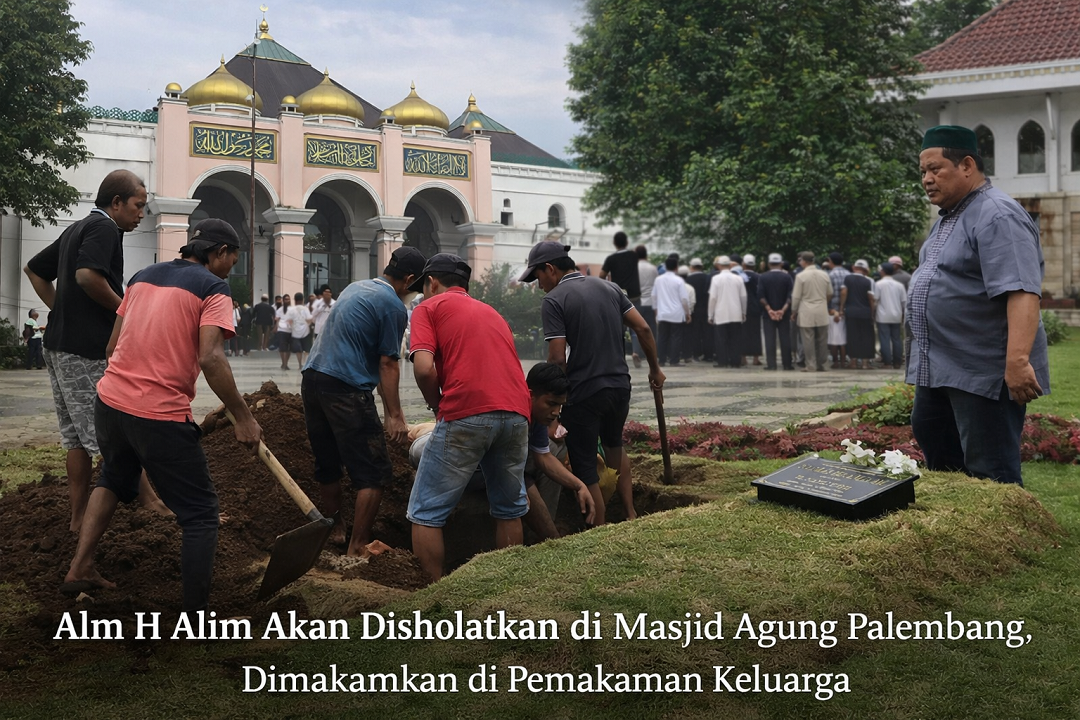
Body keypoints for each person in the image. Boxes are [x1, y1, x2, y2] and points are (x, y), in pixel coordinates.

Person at [60, 219, 263, 610]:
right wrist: (243, 416)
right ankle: (196, 618)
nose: (231, 269)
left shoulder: (141, 276)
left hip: (110, 403)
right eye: (232, 260)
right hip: (158, 414)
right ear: (219, 252)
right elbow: (210, 357)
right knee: (201, 514)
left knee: (115, 476)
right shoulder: (213, 288)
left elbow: (112, 346)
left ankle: (80, 566)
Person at [23, 169, 166, 533]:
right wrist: (127, 311)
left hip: (58, 347)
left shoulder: (77, 227)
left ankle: (77, 518)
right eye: (138, 206)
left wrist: (61, 311)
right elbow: (88, 276)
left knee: (75, 436)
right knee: (108, 434)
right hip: (84, 351)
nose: (140, 214)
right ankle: (150, 503)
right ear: (116, 203)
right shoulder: (104, 229)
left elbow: (35, 270)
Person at [909, 125, 1048, 487]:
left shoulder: (997, 215)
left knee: (991, 474)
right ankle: (962, 541)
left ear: (967, 165)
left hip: (983, 373)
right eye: (922, 171)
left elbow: (1022, 292)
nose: (926, 179)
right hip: (939, 369)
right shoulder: (950, 218)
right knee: (944, 466)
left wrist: (1017, 362)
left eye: (935, 169)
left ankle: (1009, 541)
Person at [520, 241, 664, 526]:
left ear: (550, 269)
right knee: (614, 445)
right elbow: (643, 328)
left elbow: (557, 357)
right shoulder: (610, 288)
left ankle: (600, 529)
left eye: (537, 277)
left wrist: (553, 407)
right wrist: (655, 370)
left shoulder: (555, 299)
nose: (539, 286)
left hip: (584, 392)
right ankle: (630, 514)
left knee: (585, 462)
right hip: (620, 386)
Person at [407, 254, 532, 581]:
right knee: (508, 508)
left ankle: (432, 595)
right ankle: (507, 586)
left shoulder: (428, 308)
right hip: (517, 414)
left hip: (467, 412)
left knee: (426, 512)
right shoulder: (492, 312)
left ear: (432, 282)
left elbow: (423, 369)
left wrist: (437, 408)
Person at [301, 247, 424, 556]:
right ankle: (358, 545)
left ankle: (337, 531)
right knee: (373, 472)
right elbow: (388, 364)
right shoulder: (393, 306)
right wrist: (394, 415)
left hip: (313, 380)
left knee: (327, 463)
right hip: (345, 388)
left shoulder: (357, 286)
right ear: (409, 280)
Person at [520, 362, 596, 541]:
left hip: (516, 464)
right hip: (483, 469)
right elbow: (508, 467)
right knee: (523, 480)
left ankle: (542, 534)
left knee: (555, 451)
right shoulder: (515, 417)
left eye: (560, 406)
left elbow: (544, 456)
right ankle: (549, 538)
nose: (555, 413)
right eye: (551, 404)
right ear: (530, 396)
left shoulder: (538, 418)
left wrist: (579, 485)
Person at [791, 251, 833, 372]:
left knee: (808, 339)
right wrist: (823, 301)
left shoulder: (801, 276)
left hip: (806, 310)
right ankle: (823, 364)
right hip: (821, 309)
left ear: (804, 261)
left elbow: (796, 297)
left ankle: (811, 365)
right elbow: (830, 293)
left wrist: (794, 311)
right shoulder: (824, 275)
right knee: (822, 339)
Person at [707, 255, 747, 369]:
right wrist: (743, 312)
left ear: (719, 265)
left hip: (720, 313)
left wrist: (710, 315)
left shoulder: (715, 279)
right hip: (736, 313)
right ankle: (735, 362)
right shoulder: (738, 278)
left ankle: (722, 361)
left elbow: (713, 298)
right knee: (735, 339)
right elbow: (743, 297)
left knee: (721, 339)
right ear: (730, 265)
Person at [758, 253, 794, 371]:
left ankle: (771, 364)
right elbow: (790, 296)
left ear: (769, 264)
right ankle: (787, 364)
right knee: (785, 338)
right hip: (784, 313)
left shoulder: (763, 277)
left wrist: (770, 310)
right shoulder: (787, 277)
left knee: (770, 338)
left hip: (768, 314)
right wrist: (782, 310)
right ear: (781, 264)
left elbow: (761, 296)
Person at [652, 254, 690, 367]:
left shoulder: (658, 280)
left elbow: (654, 296)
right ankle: (674, 360)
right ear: (676, 267)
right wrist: (687, 313)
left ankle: (661, 360)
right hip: (676, 314)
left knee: (662, 337)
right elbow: (684, 298)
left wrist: (656, 310)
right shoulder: (679, 280)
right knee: (676, 338)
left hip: (663, 313)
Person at [840, 259, 877, 369]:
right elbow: (871, 299)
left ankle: (853, 362)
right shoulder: (868, 281)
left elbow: (843, 292)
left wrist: (841, 308)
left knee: (852, 337)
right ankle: (865, 363)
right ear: (866, 269)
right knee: (866, 337)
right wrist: (872, 314)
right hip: (865, 313)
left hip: (851, 312)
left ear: (854, 267)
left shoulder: (847, 278)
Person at [875, 262, 907, 369]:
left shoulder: (879, 284)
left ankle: (887, 363)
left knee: (884, 339)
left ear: (882, 271)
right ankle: (897, 362)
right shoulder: (899, 285)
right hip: (897, 316)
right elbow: (904, 302)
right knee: (897, 339)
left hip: (882, 316)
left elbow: (875, 300)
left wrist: (873, 313)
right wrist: (903, 316)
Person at [633, 245, 658, 368]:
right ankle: (651, 354)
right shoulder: (653, 268)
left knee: (636, 328)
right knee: (650, 329)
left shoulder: (632, 267)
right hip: (650, 302)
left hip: (636, 301)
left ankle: (636, 351)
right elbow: (656, 286)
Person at [826, 252, 850, 368]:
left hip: (833, 310)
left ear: (831, 261)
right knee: (843, 339)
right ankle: (843, 361)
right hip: (846, 310)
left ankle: (836, 362)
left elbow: (828, 294)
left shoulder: (829, 275)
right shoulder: (848, 274)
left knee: (834, 339)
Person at [740, 255, 762, 366]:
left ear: (743, 264)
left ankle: (743, 358)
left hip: (741, 308)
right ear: (754, 265)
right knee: (755, 332)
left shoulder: (739, 276)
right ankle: (755, 358)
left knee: (742, 332)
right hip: (755, 307)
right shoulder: (759, 277)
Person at [287, 291, 313, 368]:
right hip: (305, 331)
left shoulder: (291, 309)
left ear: (294, 300)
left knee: (298, 350)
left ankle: (299, 364)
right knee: (307, 349)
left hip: (295, 332)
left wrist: (292, 327)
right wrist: (307, 325)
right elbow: (309, 319)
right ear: (302, 300)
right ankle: (305, 362)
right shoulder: (305, 309)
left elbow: (289, 321)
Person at [274, 293, 293, 369]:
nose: (287, 301)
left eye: (288, 299)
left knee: (289, 348)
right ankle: (283, 363)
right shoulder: (280, 310)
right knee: (282, 348)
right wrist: (276, 327)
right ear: (283, 301)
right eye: (285, 299)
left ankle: (286, 363)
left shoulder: (293, 309)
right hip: (281, 330)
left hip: (291, 330)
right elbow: (276, 319)